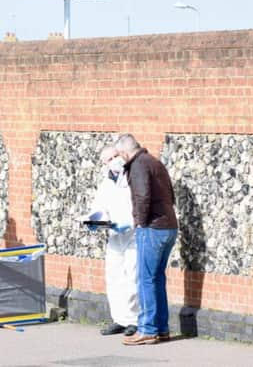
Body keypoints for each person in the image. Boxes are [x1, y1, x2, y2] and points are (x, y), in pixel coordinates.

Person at [114, 134, 178, 346]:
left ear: (124, 152)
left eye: (120, 155)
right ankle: (162, 328)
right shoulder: (154, 161)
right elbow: (170, 193)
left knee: (145, 279)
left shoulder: (139, 165)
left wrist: (140, 222)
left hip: (152, 227)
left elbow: (142, 196)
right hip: (168, 226)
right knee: (157, 278)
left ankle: (147, 329)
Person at [89, 145, 139, 337]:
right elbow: (98, 206)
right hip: (115, 236)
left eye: (114, 157)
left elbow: (140, 205)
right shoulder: (106, 183)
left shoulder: (133, 177)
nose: (112, 162)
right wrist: (95, 220)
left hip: (132, 234)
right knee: (114, 278)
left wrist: (130, 223)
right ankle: (120, 319)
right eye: (107, 160)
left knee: (132, 278)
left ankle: (134, 320)